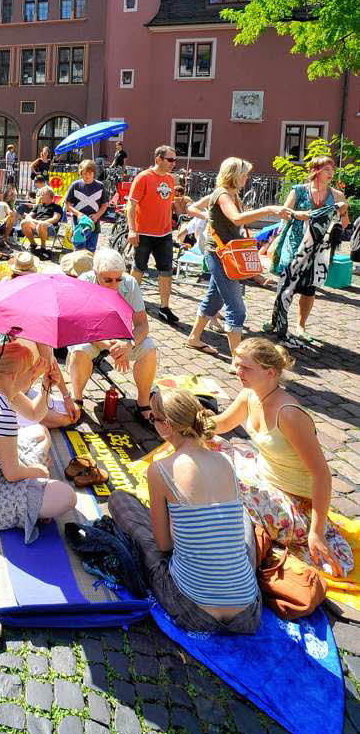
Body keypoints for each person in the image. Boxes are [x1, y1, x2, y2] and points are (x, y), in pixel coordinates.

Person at [109, 388, 261, 633]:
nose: (152, 424)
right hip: (248, 614)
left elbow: (164, 546)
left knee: (119, 501)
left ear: (167, 426)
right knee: (243, 518)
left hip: (193, 608)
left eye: (153, 419)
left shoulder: (160, 470)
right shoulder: (225, 461)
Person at [214, 337, 353, 576]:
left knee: (219, 480)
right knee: (210, 451)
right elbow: (221, 424)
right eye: (237, 364)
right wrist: (185, 416)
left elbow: (322, 475)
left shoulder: (288, 414)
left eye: (245, 367)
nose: (238, 371)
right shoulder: (250, 394)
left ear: (270, 372)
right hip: (265, 477)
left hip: (297, 502)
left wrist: (317, 532)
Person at [0, 339, 77, 544]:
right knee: (67, 497)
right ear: (14, 377)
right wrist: (38, 471)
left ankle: (36, 494)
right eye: (30, 371)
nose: (33, 376)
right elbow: (12, 474)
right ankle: (33, 502)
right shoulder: (2, 414)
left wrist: (45, 384)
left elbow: (34, 414)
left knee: (40, 431)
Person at [186, 158, 298, 359]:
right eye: (244, 174)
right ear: (234, 175)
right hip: (220, 254)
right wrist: (268, 209)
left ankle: (194, 338)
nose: (247, 178)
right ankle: (238, 360)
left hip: (226, 253)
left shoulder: (231, 193)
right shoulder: (222, 194)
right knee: (237, 309)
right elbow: (236, 219)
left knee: (214, 297)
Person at [67, 248, 157, 426]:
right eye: (108, 280)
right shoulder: (84, 282)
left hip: (122, 337)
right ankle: (77, 398)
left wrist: (128, 345)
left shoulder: (130, 283)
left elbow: (142, 325)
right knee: (79, 350)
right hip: (92, 336)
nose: (114, 284)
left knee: (149, 348)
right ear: (95, 273)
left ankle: (143, 402)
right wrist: (111, 346)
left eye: (118, 279)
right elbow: (80, 327)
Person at [265, 155, 349, 343]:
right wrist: (297, 214)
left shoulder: (337, 196)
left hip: (319, 248)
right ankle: (277, 320)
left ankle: (301, 325)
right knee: (286, 282)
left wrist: (343, 211)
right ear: (315, 171)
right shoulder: (299, 191)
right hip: (294, 243)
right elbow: (283, 214)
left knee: (309, 287)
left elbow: (345, 224)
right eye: (327, 169)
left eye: (332, 169)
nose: (331, 173)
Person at [126, 144, 178, 324]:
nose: (173, 163)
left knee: (166, 271)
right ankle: (129, 304)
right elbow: (131, 205)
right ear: (158, 159)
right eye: (170, 160)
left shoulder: (171, 180)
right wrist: (132, 230)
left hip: (164, 234)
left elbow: (167, 203)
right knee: (139, 268)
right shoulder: (143, 177)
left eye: (174, 160)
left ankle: (164, 307)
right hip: (144, 233)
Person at [64, 158, 109, 253]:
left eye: (89, 173)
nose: (87, 175)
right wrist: (78, 214)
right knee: (79, 250)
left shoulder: (100, 186)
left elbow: (105, 205)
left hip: (94, 222)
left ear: (93, 172)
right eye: (84, 173)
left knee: (91, 250)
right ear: (81, 173)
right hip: (78, 223)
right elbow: (67, 204)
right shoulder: (75, 185)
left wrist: (97, 216)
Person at [20, 185, 63, 256]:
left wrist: (42, 223)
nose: (40, 196)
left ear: (49, 195)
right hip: (36, 225)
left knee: (41, 225)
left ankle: (43, 247)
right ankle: (33, 243)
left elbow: (55, 219)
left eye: (42, 194)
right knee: (24, 222)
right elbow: (28, 216)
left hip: (50, 228)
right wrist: (34, 221)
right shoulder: (38, 206)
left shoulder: (57, 207)